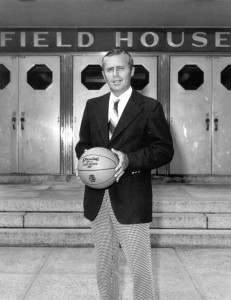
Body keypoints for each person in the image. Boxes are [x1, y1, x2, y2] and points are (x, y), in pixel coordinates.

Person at [75, 49, 174, 300]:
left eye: (121, 68)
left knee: (139, 267)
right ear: (103, 73)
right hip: (98, 196)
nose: (115, 74)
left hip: (132, 197)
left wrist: (129, 159)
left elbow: (164, 150)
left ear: (131, 71)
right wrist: (87, 161)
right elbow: (82, 144)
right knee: (104, 267)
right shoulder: (93, 105)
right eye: (110, 69)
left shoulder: (149, 107)